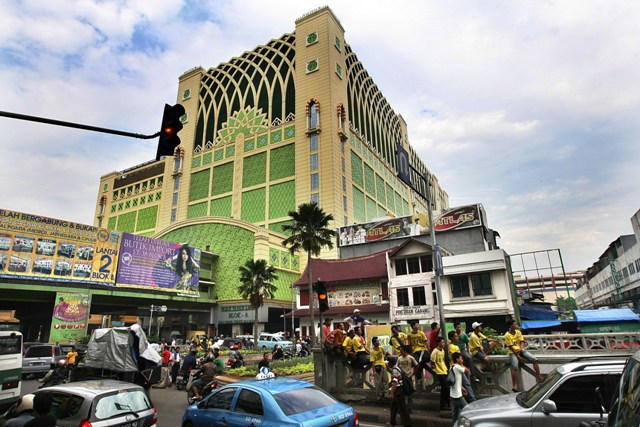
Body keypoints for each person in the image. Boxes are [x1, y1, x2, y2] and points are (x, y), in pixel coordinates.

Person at [504, 319, 542, 391]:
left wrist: (521, 349)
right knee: (515, 367)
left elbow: (522, 341)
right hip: (513, 352)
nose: (516, 325)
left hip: (520, 350)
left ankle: (538, 376)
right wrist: (518, 357)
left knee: (534, 359)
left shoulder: (518, 332)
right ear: (510, 326)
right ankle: (515, 385)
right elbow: (511, 347)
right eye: (514, 324)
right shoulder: (507, 335)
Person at [449, 331, 476, 402]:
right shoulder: (452, 347)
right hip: (456, 368)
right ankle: (472, 400)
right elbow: (455, 359)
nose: (457, 337)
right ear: (451, 338)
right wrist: (463, 367)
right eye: (455, 336)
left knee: (463, 385)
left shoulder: (454, 346)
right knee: (466, 384)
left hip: (457, 368)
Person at [387, 356, 413, 427]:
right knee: (393, 407)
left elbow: (395, 383)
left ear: (391, 363)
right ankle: (392, 422)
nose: (388, 363)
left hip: (399, 391)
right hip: (398, 390)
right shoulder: (397, 368)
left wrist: (392, 393)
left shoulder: (395, 370)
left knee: (402, 409)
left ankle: (407, 424)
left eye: (388, 362)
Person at [407, 320, 432, 390]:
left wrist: (428, 350)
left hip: (422, 350)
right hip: (415, 351)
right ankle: (418, 378)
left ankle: (419, 378)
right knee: (417, 363)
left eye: (418, 325)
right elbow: (409, 345)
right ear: (413, 326)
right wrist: (410, 353)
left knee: (424, 360)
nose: (418, 326)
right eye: (416, 325)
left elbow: (425, 342)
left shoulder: (421, 333)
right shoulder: (409, 335)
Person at [430, 336, 449, 411]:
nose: (443, 343)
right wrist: (435, 371)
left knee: (445, 389)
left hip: (444, 370)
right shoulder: (435, 351)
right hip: (439, 372)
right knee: (445, 388)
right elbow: (432, 363)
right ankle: (445, 404)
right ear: (438, 343)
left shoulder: (442, 351)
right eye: (442, 342)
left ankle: (444, 405)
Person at [450, 352, 468, 425]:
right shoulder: (457, 367)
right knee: (467, 409)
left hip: (453, 394)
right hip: (457, 395)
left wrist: (462, 387)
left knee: (455, 413)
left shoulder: (452, 367)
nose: (462, 360)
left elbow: (456, 380)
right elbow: (467, 370)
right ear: (457, 359)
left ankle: (454, 424)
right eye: (461, 358)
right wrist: (461, 365)